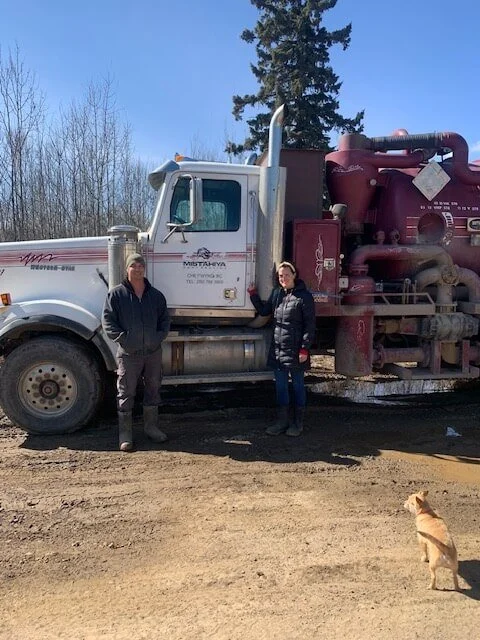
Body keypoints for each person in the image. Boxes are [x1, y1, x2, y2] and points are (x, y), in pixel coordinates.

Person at [102, 253, 170, 451]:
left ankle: (151, 428)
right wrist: (125, 340)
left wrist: (157, 338)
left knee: (153, 388)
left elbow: (165, 320)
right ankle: (125, 434)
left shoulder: (156, 296)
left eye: (141, 265)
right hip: (129, 354)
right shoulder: (116, 295)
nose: (138, 268)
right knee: (126, 391)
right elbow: (107, 322)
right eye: (134, 265)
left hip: (153, 352)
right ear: (127, 269)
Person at [247, 261, 315, 437]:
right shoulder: (277, 294)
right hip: (277, 350)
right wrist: (253, 295)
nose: (283, 278)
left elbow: (309, 326)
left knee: (298, 386)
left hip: (296, 351)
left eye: (286, 275)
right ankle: (282, 422)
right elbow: (264, 311)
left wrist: (304, 349)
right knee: (281, 388)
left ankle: (298, 423)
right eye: (280, 276)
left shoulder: (304, 297)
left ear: (294, 275)